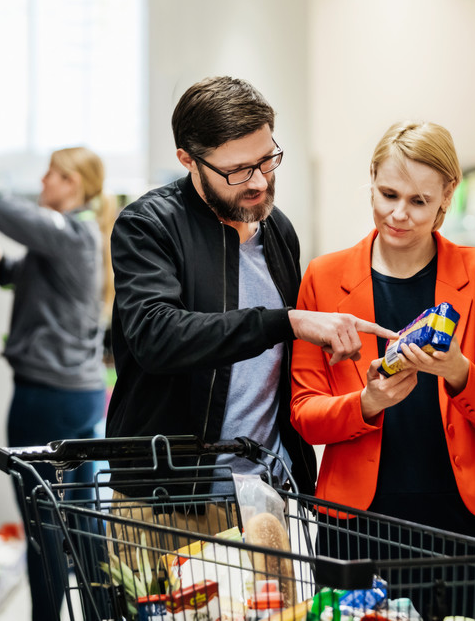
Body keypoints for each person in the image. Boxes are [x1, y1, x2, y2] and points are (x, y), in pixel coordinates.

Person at [106, 76, 395, 528]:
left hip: (266, 494)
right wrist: (287, 321)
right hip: (171, 500)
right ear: (188, 159)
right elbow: (157, 336)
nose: (260, 181)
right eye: (239, 170)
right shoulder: (148, 226)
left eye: (268, 160)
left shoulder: (278, 231)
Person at [289, 121, 475, 619]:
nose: (399, 215)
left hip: (467, 520)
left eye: (419, 201)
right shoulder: (324, 278)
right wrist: (367, 403)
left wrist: (459, 370)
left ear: (446, 198)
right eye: (387, 193)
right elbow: (305, 413)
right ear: (371, 178)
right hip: (358, 521)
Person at [0, 147, 113, 621]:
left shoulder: (72, 230)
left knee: (43, 528)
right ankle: (101, 613)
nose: (43, 181)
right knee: (83, 524)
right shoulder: (74, 240)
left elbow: (17, 221)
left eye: (54, 174)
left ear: (75, 184)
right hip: (78, 397)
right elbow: (10, 273)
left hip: (47, 397)